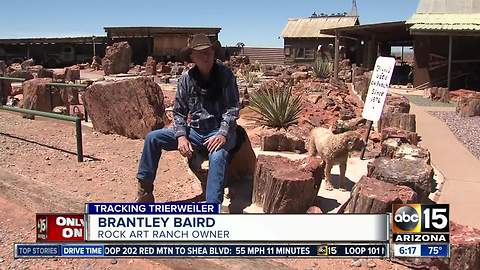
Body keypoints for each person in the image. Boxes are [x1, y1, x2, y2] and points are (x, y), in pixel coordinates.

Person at [135, 34, 240, 204]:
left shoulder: (225, 75)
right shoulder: (187, 79)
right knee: (152, 138)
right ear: (192, 57)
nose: (206, 56)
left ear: (214, 53)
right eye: (200, 53)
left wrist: (222, 134)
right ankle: (145, 191)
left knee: (218, 156)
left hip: (219, 131)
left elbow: (233, 108)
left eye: (208, 52)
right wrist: (181, 136)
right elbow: (179, 112)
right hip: (196, 131)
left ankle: (212, 207)